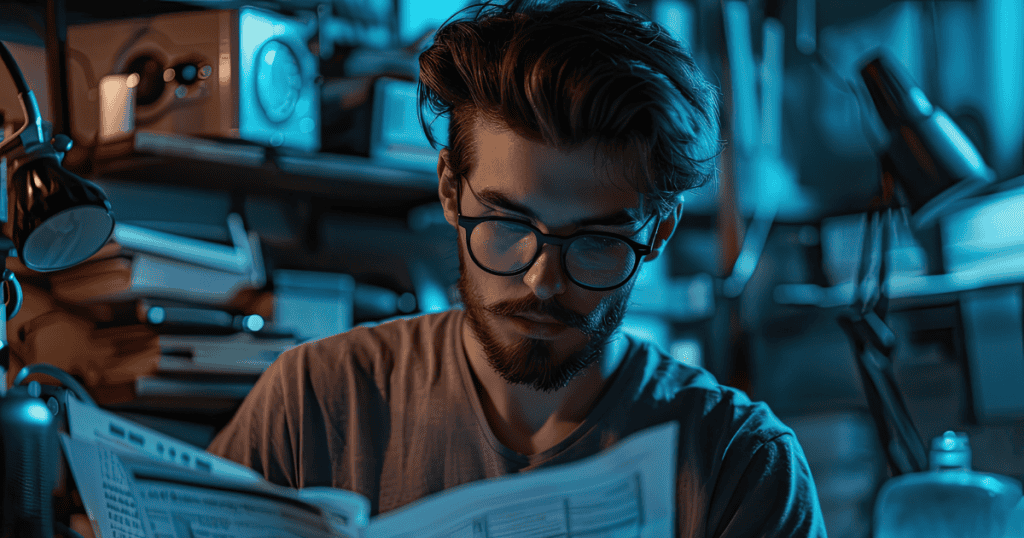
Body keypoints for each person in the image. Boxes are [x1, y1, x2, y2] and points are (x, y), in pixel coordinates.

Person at [207, 0, 828, 535]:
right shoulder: (311, 405)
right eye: (508, 225)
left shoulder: (738, 464)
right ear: (451, 189)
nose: (542, 281)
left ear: (658, 229)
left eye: (593, 240)